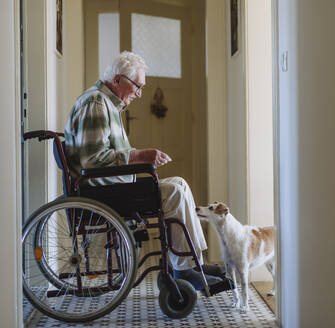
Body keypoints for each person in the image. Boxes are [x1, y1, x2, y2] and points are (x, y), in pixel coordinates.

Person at [64, 51, 227, 291]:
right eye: (137, 86)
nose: (140, 94)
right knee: (173, 192)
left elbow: (107, 154)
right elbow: (93, 162)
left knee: (179, 184)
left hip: (110, 186)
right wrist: (140, 155)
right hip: (100, 192)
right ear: (118, 79)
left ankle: (191, 264)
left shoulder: (107, 104)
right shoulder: (96, 103)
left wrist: (139, 156)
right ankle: (184, 268)